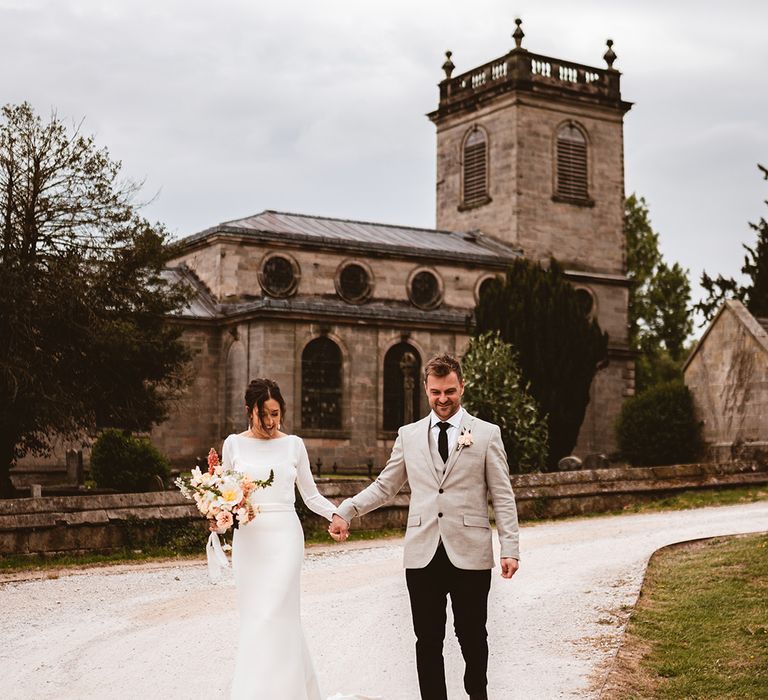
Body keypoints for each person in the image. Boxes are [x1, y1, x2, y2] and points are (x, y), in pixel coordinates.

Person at [331, 353, 520, 700]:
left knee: (473, 636)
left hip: (471, 553)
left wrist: (510, 548)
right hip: (423, 555)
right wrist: (347, 510)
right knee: (428, 640)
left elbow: (503, 496)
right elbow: (385, 487)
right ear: (426, 390)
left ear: (462, 386)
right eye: (436, 392)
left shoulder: (486, 434)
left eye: (450, 391)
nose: (443, 399)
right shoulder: (409, 435)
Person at [220, 378, 367, 700]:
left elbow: (311, 496)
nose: (272, 423)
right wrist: (217, 516)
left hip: (285, 537)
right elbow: (225, 496)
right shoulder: (232, 445)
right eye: (264, 416)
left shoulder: (293, 445)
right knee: (256, 616)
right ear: (249, 411)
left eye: (276, 414)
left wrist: (336, 515)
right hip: (249, 540)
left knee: (274, 612)